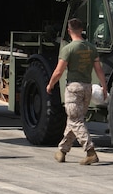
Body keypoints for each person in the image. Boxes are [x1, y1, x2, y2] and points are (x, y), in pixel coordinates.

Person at [46, 17, 108, 165]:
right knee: (73, 121)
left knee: (76, 120)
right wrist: (104, 86)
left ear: (69, 31)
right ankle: (62, 151)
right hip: (87, 88)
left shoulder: (68, 49)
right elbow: (98, 69)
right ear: (82, 30)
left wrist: (50, 84)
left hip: (73, 88)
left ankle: (90, 151)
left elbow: (59, 71)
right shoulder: (91, 48)